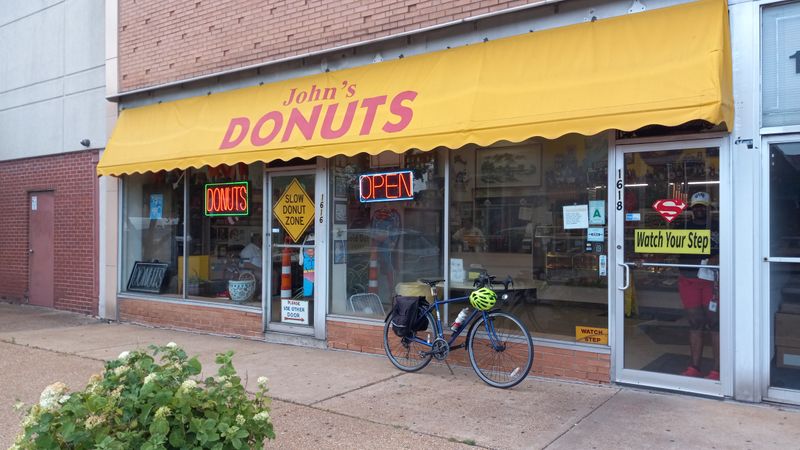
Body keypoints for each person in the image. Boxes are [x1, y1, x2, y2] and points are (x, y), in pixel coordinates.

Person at [677, 191, 720, 380]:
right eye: (696, 206)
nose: (700, 209)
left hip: (713, 280)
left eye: (703, 206)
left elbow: (735, 247)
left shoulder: (720, 226)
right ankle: (694, 366)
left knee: (715, 323)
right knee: (695, 322)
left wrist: (719, 256)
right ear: (691, 209)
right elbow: (666, 247)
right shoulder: (682, 227)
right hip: (688, 279)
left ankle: (718, 369)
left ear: (710, 208)